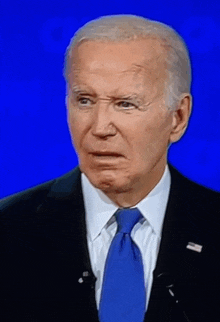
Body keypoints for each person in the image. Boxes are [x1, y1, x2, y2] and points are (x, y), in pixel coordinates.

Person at [0, 14, 220, 322]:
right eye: (85, 100)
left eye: (125, 104)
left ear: (178, 118)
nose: (100, 127)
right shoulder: (8, 230)